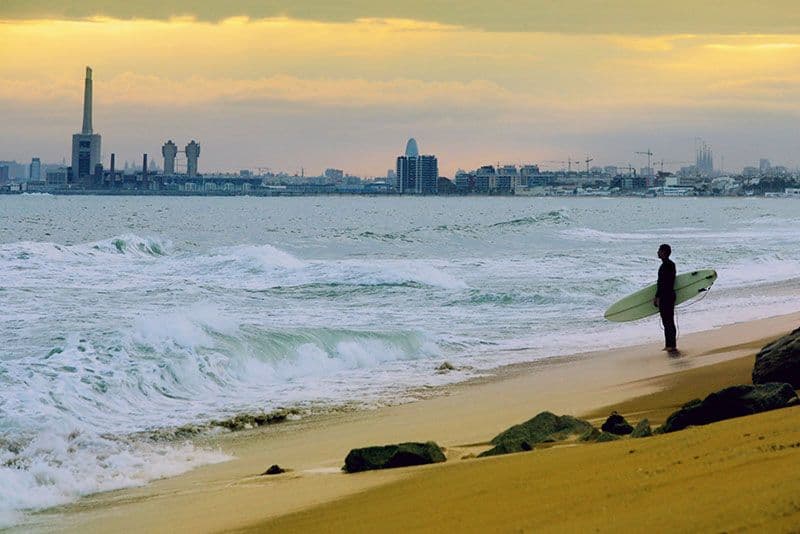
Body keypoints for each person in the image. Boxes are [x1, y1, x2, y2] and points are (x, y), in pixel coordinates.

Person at [654, 243, 677, 353]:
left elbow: (663, 283)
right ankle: (670, 344)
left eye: (659, 250)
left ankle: (671, 345)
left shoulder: (666, 266)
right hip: (670, 295)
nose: (657, 252)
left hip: (666, 296)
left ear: (664, 252)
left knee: (667, 322)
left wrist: (657, 297)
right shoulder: (670, 264)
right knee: (668, 321)